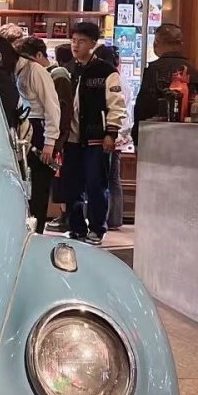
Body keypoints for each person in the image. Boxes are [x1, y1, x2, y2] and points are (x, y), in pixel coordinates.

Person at [62, 22, 127, 246]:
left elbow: (116, 105)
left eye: (81, 41)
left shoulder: (106, 71)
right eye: (73, 41)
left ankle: (97, 229)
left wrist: (111, 132)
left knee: (96, 185)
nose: (75, 45)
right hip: (71, 138)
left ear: (93, 43)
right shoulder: (67, 69)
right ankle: (76, 228)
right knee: (72, 187)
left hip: (96, 137)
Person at [14, 37, 61, 234]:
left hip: (39, 128)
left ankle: (37, 230)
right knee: (26, 182)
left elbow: (52, 107)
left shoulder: (36, 71)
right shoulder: (17, 70)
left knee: (39, 184)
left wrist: (50, 142)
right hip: (26, 127)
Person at [132, 22, 198, 147]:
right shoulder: (194, 72)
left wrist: (136, 138)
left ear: (156, 43)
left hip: (156, 139)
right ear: (181, 44)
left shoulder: (154, 70)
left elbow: (144, 107)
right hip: (188, 140)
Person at [93, 44, 126, 230]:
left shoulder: (110, 78)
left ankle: (107, 218)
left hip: (110, 135)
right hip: (119, 135)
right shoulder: (119, 78)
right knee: (113, 179)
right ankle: (114, 218)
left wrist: (111, 132)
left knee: (107, 179)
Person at [45, 44, 75, 233]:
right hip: (65, 135)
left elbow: (63, 109)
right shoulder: (67, 73)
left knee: (63, 178)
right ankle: (66, 215)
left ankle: (66, 216)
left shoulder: (60, 75)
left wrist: (58, 138)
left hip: (64, 137)